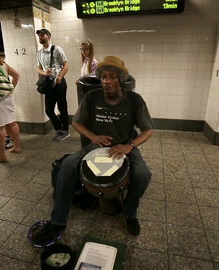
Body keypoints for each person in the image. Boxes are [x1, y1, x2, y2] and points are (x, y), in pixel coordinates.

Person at [32, 56, 154, 244]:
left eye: (112, 77)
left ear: (120, 79)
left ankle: (130, 213)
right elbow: (76, 123)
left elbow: (148, 130)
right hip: (97, 145)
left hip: (125, 145)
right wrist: (94, 137)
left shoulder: (134, 100)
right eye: (104, 77)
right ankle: (57, 222)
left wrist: (129, 146)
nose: (107, 81)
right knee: (68, 165)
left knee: (143, 174)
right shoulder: (92, 97)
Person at [36, 29, 70, 141]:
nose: (40, 37)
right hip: (48, 84)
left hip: (59, 83)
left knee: (62, 107)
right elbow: (39, 68)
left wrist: (60, 76)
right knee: (49, 110)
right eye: (39, 35)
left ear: (49, 36)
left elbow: (66, 65)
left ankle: (65, 130)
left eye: (42, 35)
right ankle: (59, 128)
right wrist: (44, 73)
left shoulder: (57, 49)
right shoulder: (39, 53)